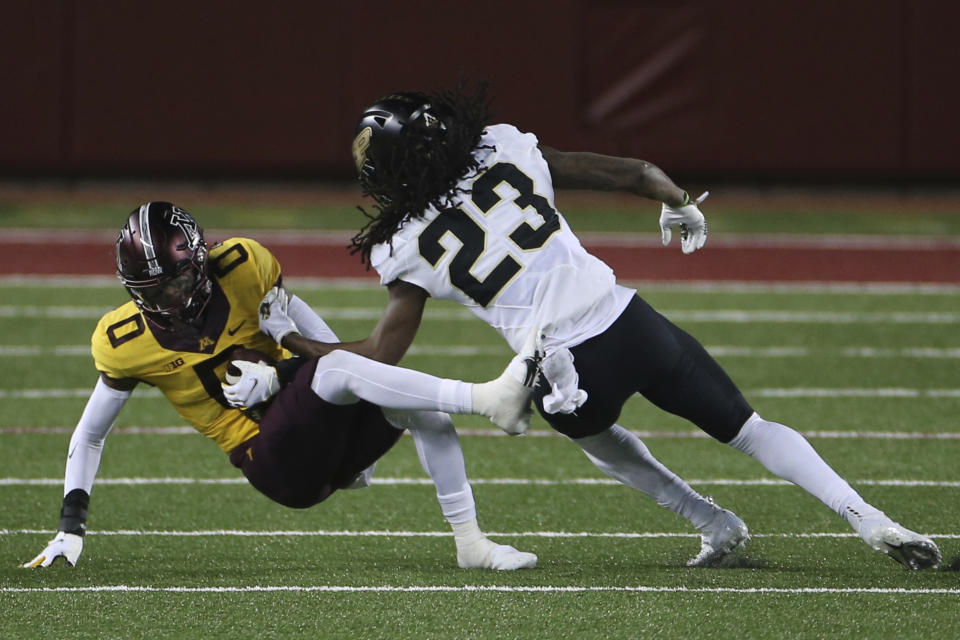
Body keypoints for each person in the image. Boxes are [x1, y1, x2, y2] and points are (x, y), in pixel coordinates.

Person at [262, 83, 940, 570]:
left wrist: (294, 341)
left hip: (562, 367)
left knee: (599, 441)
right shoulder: (502, 147)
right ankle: (866, 516)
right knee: (751, 430)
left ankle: (713, 522)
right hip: (630, 320)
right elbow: (630, 171)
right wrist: (676, 201)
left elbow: (380, 353)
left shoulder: (403, 243)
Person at [21, 202, 538, 571]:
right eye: (156, 290)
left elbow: (319, 341)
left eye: (178, 282)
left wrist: (305, 368)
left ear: (201, 263)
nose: (173, 298)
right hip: (269, 462)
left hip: (310, 431)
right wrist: (71, 526)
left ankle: (471, 543)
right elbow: (89, 434)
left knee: (418, 408)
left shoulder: (244, 265)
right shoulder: (123, 339)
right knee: (340, 375)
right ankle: (487, 400)